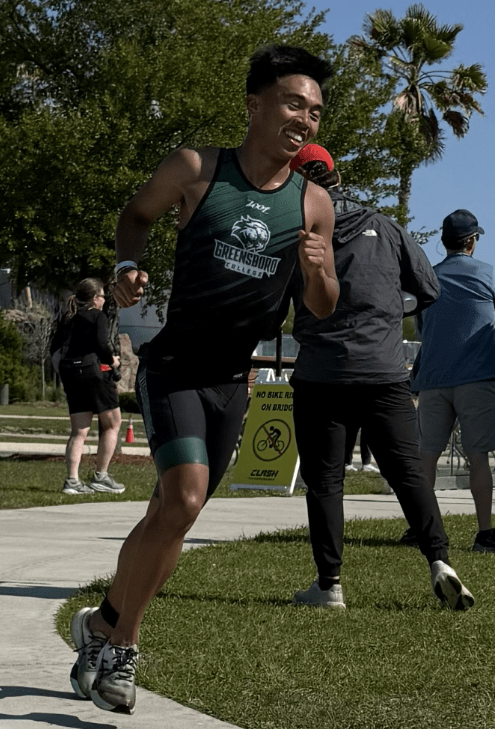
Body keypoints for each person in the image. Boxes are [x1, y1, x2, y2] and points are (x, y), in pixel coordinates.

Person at [68, 46, 339, 715]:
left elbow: (323, 305)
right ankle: (124, 646)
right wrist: (128, 266)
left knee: (170, 517)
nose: (305, 119)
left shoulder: (313, 204)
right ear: (254, 105)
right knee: (183, 501)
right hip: (173, 369)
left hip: (231, 382)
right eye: (293, 103)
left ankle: (100, 622)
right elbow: (136, 216)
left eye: (314, 110)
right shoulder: (196, 168)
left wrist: (316, 270)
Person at [288, 144, 474, 612]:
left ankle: (329, 585)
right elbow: (428, 288)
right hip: (384, 371)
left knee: (325, 480)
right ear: (336, 175)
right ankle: (439, 561)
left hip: (321, 374)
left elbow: (273, 303)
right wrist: (389, 312)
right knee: (408, 472)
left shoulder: (295, 233)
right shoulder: (386, 226)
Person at [409, 210, 495, 553]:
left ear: (444, 242)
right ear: (472, 241)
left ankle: (421, 529)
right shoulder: (487, 274)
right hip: (477, 377)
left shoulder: (428, 277)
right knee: (478, 456)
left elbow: (421, 328)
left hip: (433, 378)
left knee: (426, 456)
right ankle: (484, 533)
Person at [50, 278, 124, 495]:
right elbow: (101, 344)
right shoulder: (98, 316)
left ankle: (72, 480)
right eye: (102, 296)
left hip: (70, 374)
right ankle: (101, 476)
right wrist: (112, 361)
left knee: (79, 431)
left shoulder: (68, 318)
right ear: (94, 298)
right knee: (113, 423)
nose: (104, 300)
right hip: (93, 372)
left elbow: (55, 347)